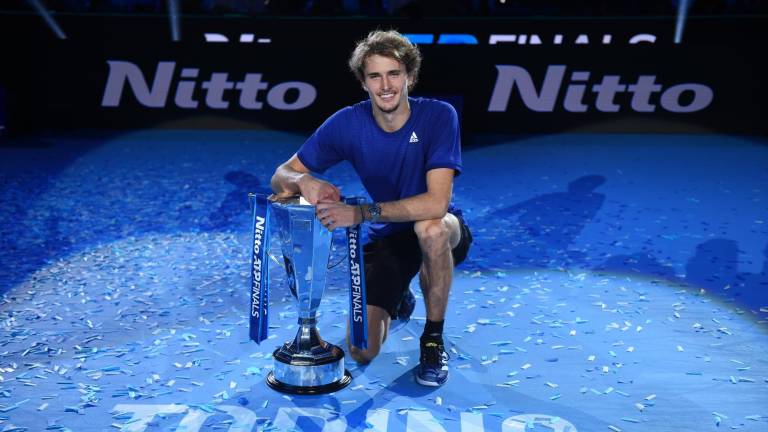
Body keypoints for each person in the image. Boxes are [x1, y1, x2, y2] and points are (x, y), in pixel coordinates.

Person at [270, 29, 471, 387]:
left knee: (431, 228)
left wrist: (361, 213)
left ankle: (432, 340)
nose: (386, 85)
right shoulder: (347, 122)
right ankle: (400, 295)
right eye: (375, 76)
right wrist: (304, 181)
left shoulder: (439, 116)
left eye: (394, 74)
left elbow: (436, 203)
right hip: (388, 240)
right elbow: (280, 175)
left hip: (441, 226)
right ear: (364, 83)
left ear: (410, 76)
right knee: (362, 349)